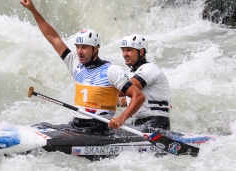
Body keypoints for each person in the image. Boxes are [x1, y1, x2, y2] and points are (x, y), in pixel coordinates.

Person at [20, 0, 145, 134]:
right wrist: (33, 10)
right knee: (39, 126)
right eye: (78, 47)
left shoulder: (111, 71)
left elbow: (138, 96)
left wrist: (121, 118)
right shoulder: (75, 62)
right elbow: (53, 37)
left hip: (98, 129)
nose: (79, 51)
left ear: (95, 49)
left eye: (84, 47)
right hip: (76, 125)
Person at [117, 34, 171, 132]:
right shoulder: (131, 74)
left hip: (155, 124)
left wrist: (98, 91)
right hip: (138, 124)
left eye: (129, 50)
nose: (125, 54)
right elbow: (125, 100)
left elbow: (126, 89)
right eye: (123, 50)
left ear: (141, 51)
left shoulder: (149, 68)